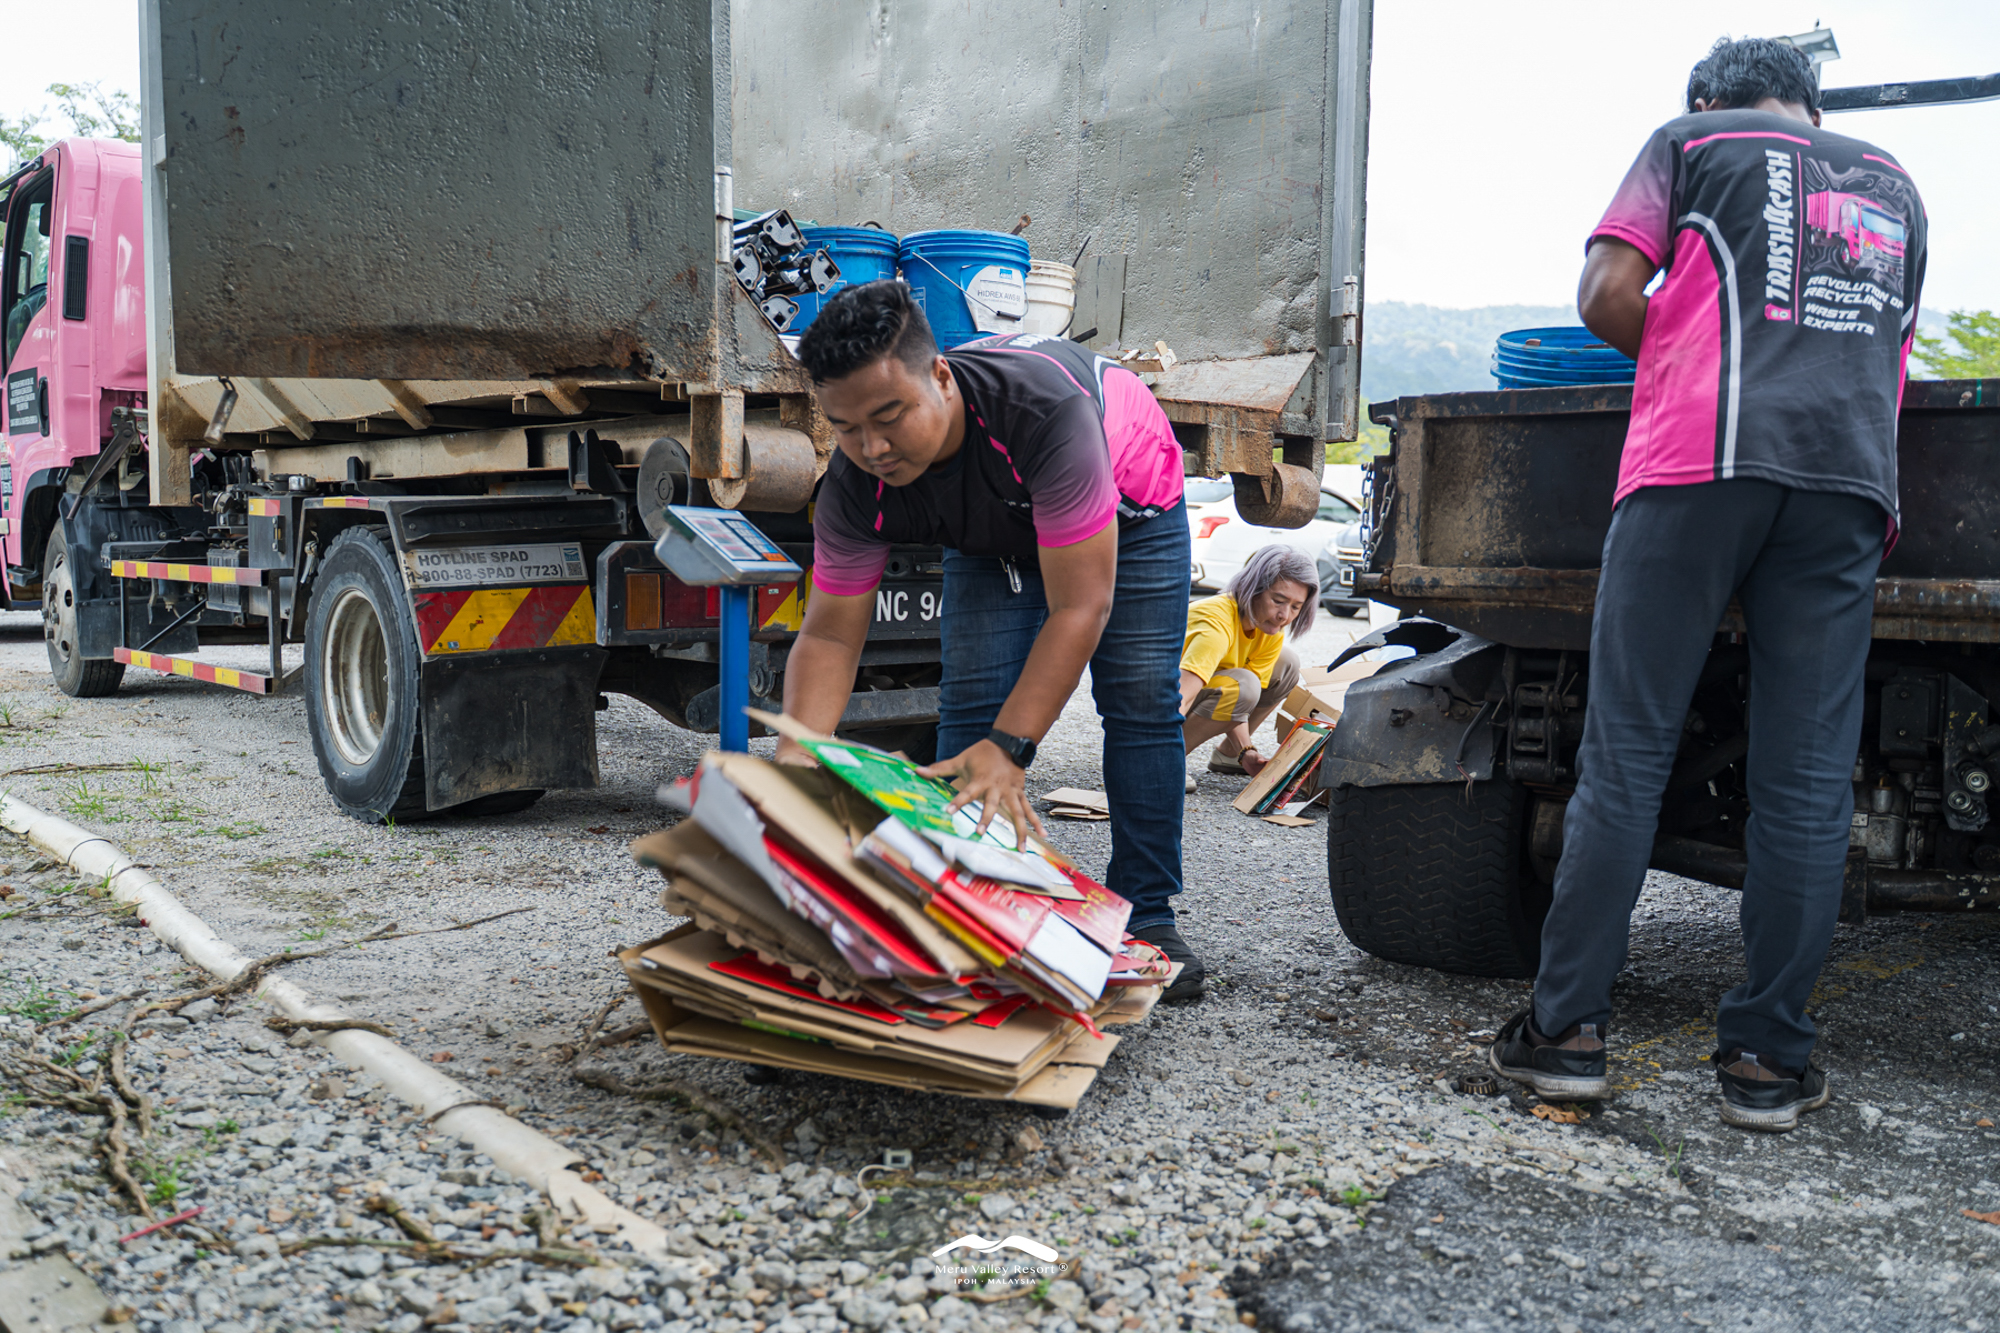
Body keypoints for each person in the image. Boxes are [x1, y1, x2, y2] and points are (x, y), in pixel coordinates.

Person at [1487, 36, 1925, 1132]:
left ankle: (1565, 1034)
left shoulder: (1690, 140)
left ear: (1708, 95)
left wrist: (1689, 350)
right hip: (1845, 483)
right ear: (1810, 104)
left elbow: (1604, 294)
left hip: (1697, 462)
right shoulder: (1895, 185)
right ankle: (1766, 1061)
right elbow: (1890, 354)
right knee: (1807, 779)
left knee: (1628, 752)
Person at [776, 279, 1209, 1001]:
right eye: (846, 427)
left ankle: (1148, 914)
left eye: (889, 416)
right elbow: (828, 636)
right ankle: (969, 908)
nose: (872, 447)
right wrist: (795, 761)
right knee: (973, 713)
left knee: (1137, 701)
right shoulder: (855, 484)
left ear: (940, 377)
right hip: (993, 525)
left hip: (1130, 507)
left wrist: (1013, 750)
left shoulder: (1043, 415)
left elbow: (1080, 606)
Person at [1181, 545, 1316, 779]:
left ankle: (1229, 753)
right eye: (1278, 601)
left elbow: (1239, 704)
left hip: (1199, 691)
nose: (1285, 616)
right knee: (1245, 684)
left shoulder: (1268, 627)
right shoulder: (1215, 626)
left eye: (1296, 607)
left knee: (1286, 665)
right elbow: (1179, 698)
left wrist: (1246, 751)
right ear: (1253, 589)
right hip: (1154, 699)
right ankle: (1164, 759)